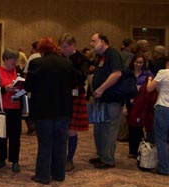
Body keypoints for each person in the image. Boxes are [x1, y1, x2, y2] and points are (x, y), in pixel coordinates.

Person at [25, 37, 75, 184]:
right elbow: (74, 83)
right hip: (63, 109)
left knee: (45, 143)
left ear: (41, 50)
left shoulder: (36, 63)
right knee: (61, 143)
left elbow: (28, 87)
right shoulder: (67, 63)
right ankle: (59, 174)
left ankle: (43, 175)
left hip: (43, 110)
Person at [89, 33, 123, 169]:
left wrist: (101, 89)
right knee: (98, 128)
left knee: (109, 129)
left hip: (111, 99)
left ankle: (108, 159)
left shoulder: (112, 53)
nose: (91, 44)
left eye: (93, 41)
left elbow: (117, 74)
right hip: (99, 99)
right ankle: (101, 155)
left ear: (102, 42)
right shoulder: (100, 57)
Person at [0, 48, 23, 173]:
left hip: (16, 109)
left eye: (16, 59)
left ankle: (15, 161)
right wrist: (4, 89)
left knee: (15, 136)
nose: (15, 62)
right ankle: (1, 159)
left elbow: (24, 88)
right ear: (6, 59)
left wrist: (21, 90)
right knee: (1, 135)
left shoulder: (18, 71)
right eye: (13, 59)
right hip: (2, 108)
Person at [58, 33, 89, 172]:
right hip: (61, 95)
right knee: (60, 128)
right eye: (61, 47)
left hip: (76, 96)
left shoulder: (82, 59)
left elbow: (82, 76)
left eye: (65, 47)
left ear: (72, 45)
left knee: (71, 130)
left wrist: (69, 65)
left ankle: (69, 159)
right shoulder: (60, 58)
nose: (62, 50)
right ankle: (60, 157)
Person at [124, 55, 154, 158]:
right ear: (133, 62)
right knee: (131, 126)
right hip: (129, 102)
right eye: (137, 62)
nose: (138, 64)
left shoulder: (148, 74)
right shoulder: (128, 73)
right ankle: (132, 150)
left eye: (141, 62)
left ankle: (140, 149)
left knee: (139, 126)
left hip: (142, 104)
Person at [147, 58, 169, 175]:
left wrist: (149, 79)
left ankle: (164, 167)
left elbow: (149, 88)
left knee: (161, 139)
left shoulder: (163, 72)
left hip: (163, 108)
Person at [23, 41, 41, 135]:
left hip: (31, 88)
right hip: (42, 88)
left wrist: (26, 86)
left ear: (34, 48)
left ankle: (31, 125)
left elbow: (26, 73)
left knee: (27, 107)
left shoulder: (32, 58)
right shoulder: (44, 56)